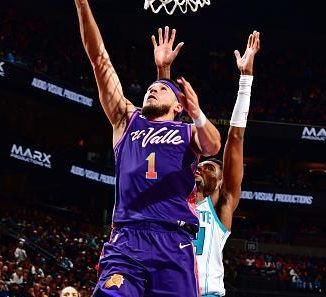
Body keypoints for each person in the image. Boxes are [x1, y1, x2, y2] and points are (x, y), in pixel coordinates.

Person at [74, 2, 221, 297]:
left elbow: (213, 144)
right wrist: (83, 4)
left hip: (174, 242)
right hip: (127, 240)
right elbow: (99, 58)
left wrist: (198, 114)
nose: (152, 90)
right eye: (150, 88)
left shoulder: (187, 131)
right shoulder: (127, 119)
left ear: (179, 105)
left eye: (161, 89)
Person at [152, 29, 260, 296]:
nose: (200, 166)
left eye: (210, 166)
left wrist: (245, 79)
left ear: (222, 183)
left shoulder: (223, 207)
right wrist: (163, 72)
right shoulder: (175, 199)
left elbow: (235, 139)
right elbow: (162, 128)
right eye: (200, 164)